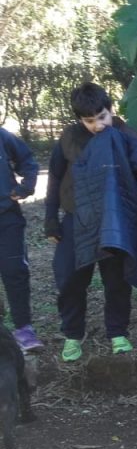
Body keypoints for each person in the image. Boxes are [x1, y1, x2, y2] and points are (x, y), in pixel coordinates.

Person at [44, 83, 137, 362]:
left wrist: (116, 143)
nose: (97, 125)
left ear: (111, 110)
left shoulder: (124, 133)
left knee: (116, 279)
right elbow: (55, 176)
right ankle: (72, 334)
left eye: (102, 117)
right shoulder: (70, 138)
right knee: (70, 277)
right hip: (77, 217)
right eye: (89, 120)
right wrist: (51, 220)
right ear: (80, 119)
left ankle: (117, 332)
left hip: (114, 218)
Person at [0, 128, 41, 352]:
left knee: (14, 270)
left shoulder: (3, 137)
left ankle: (23, 329)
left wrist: (25, 186)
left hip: (7, 218)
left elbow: (27, 160)